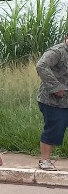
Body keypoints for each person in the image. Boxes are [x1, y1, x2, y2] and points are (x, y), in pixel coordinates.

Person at [36, 34, 68, 170]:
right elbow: (41, 66)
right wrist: (56, 87)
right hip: (53, 101)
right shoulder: (57, 52)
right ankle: (45, 161)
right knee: (54, 128)